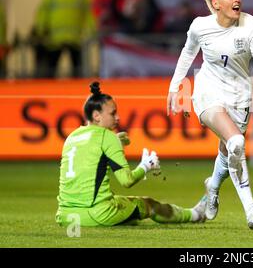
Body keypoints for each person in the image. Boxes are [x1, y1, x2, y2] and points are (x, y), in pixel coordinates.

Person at [167, 0, 253, 229]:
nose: (236, 0)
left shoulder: (250, 25)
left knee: (227, 150)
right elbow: (187, 54)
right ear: (216, 4)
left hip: (240, 96)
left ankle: (213, 188)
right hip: (208, 94)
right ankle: (251, 210)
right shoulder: (200, 26)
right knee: (237, 142)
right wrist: (175, 87)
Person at [56, 81, 207, 227]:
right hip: (95, 214)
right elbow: (126, 181)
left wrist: (114, 143)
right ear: (96, 116)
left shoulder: (72, 136)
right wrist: (145, 166)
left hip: (66, 216)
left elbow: (89, 159)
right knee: (148, 204)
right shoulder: (106, 137)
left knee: (121, 206)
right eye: (113, 113)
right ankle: (195, 215)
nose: (117, 117)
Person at [33, 0, 93, 78]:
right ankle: (48, 92)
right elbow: (43, 12)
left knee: (77, 71)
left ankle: (78, 92)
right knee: (51, 70)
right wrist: (40, 30)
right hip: (54, 40)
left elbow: (89, 14)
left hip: (75, 39)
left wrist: (92, 32)